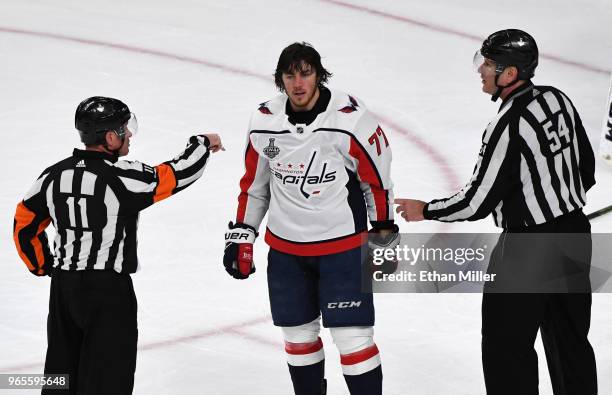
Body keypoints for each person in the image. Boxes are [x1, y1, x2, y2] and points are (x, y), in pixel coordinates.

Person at [395, 29, 597, 394]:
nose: (481, 70)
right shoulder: (557, 99)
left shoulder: (507, 125)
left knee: (507, 349)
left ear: (510, 74)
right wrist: (563, 209)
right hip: (575, 235)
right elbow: (586, 166)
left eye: (489, 64)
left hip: (526, 250)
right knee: (570, 342)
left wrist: (426, 209)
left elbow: (476, 201)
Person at [13, 96, 223, 395]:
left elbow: (24, 223)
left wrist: (42, 265)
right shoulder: (121, 176)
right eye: (125, 129)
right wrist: (203, 143)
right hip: (107, 293)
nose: (129, 135)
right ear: (110, 137)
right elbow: (177, 174)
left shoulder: (53, 175)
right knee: (108, 379)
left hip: (63, 290)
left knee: (60, 377)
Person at [223, 42, 397, 395]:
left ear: (318, 75)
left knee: (353, 339)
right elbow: (255, 186)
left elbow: (376, 182)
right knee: (298, 338)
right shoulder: (264, 121)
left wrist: (383, 233)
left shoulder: (351, 120)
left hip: (343, 249)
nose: (298, 83)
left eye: (305, 74)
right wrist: (243, 234)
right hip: (287, 252)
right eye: (290, 75)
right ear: (280, 80)